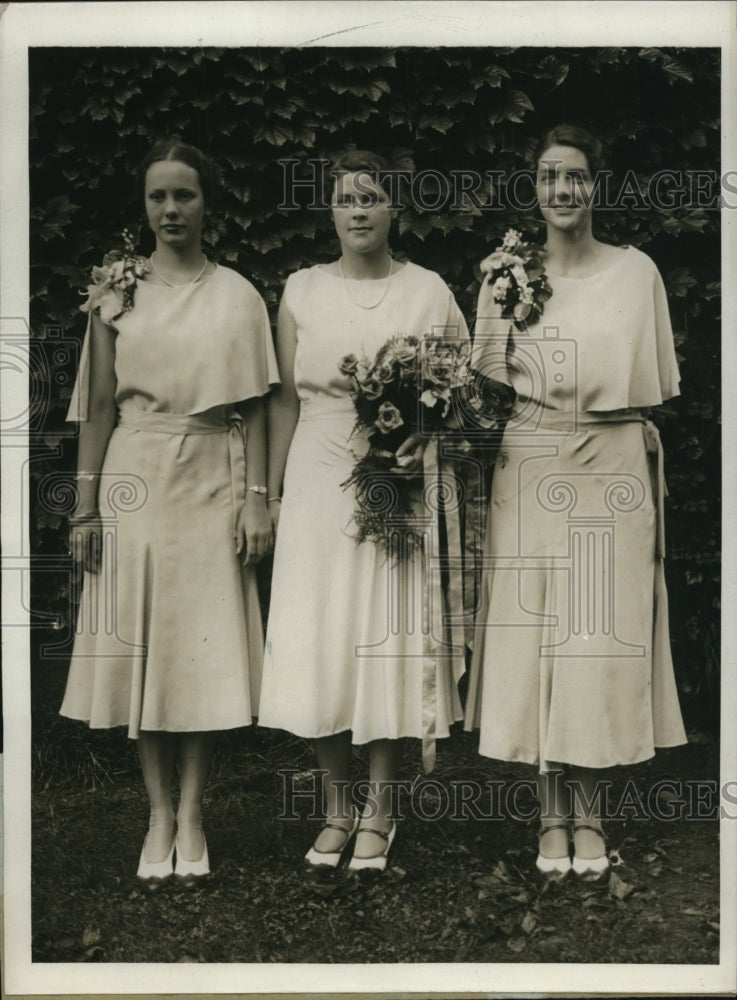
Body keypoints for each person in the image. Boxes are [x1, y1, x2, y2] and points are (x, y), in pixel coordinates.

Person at [464, 124, 687, 885]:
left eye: (576, 176)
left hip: (612, 457)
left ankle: (587, 813)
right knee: (535, 632)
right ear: (533, 188)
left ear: (596, 186)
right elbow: (482, 391)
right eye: (549, 176)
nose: (563, 190)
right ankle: (547, 814)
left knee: (594, 635)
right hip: (529, 456)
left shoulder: (636, 272)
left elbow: (652, 383)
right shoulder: (503, 277)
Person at [61, 138, 279, 888]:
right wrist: (85, 508)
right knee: (145, 647)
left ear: (206, 202)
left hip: (213, 476)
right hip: (136, 477)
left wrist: (256, 499)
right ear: (144, 205)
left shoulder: (238, 295)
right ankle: (157, 813)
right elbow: (97, 405)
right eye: (158, 196)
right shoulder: (115, 293)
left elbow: (256, 406)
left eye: (184, 194)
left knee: (197, 650)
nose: (171, 209)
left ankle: (193, 814)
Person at [258, 150, 468, 873]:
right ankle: (335, 807)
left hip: (392, 477)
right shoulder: (301, 290)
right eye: (346, 198)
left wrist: (425, 437)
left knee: (382, 631)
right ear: (330, 211)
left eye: (372, 197)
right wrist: (270, 494)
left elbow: (463, 393)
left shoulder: (428, 290)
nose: (359, 210)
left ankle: (380, 807)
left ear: (394, 209)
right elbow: (283, 402)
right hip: (316, 476)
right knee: (320, 633)